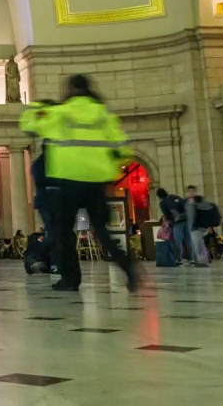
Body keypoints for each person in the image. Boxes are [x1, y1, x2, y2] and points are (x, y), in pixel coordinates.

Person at [20, 74, 137, 292]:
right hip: (96, 181)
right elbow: (123, 150)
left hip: (67, 181)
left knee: (62, 232)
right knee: (102, 231)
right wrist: (109, 171)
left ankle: (70, 279)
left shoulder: (62, 113)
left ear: (70, 89)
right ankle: (128, 266)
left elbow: (28, 123)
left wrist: (41, 105)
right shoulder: (103, 115)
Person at [184, 185, 218, 267]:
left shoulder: (200, 200)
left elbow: (207, 207)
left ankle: (202, 261)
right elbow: (188, 214)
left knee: (198, 243)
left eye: (193, 191)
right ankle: (198, 260)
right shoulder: (187, 202)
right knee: (196, 243)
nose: (192, 193)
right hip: (192, 226)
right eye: (190, 191)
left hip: (199, 225)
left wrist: (195, 203)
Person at [156, 188, 189, 264]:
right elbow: (184, 204)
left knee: (178, 241)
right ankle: (192, 259)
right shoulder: (174, 196)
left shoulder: (163, 202)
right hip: (186, 219)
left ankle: (179, 259)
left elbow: (167, 214)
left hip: (177, 222)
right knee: (188, 240)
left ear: (159, 196)